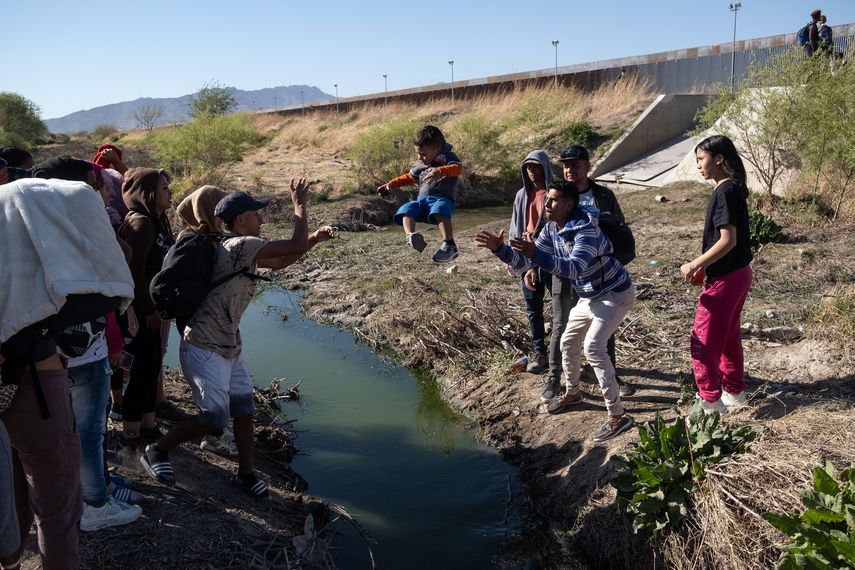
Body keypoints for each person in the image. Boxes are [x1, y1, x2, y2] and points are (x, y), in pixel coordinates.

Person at [141, 181, 335, 498]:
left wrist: (312, 240)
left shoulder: (237, 247)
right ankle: (156, 449)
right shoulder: (238, 246)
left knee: (243, 410)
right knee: (214, 418)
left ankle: (245, 475)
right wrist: (300, 204)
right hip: (205, 346)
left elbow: (284, 258)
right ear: (241, 220)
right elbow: (291, 244)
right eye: (256, 214)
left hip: (229, 345)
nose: (261, 219)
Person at [476, 180, 635, 442]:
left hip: (614, 295)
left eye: (553, 200)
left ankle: (617, 415)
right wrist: (500, 249)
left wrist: (536, 255)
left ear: (569, 204)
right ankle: (573, 393)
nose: (546, 204)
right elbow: (526, 261)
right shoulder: (551, 228)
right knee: (567, 341)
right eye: (547, 199)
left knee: (594, 348)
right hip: (588, 296)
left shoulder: (586, 231)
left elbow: (573, 269)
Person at [32, 159, 143, 530]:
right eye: (94, 185)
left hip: (44, 351)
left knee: (64, 430)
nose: (103, 191)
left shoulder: (29, 225)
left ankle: (94, 486)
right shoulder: (81, 227)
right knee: (89, 429)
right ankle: (94, 504)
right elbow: (109, 283)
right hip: (85, 348)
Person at [541, 145, 634, 402]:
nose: (570, 169)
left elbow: (618, 227)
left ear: (587, 166)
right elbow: (544, 233)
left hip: (599, 275)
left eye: (576, 164)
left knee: (603, 330)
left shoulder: (603, 195)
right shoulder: (555, 194)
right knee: (561, 326)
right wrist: (531, 265)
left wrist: (613, 259)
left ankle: (611, 377)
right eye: (566, 165)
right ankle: (554, 379)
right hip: (564, 272)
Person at [680, 135, 753, 415]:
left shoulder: (724, 191)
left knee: (703, 340)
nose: (698, 165)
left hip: (727, 279)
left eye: (701, 159)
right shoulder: (733, 188)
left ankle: (710, 403)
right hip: (739, 274)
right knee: (727, 338)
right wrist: (706, 267)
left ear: (719, 159)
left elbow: (728, 240)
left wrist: (695, 264)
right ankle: (734, 392)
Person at [117, 168, 174, 445]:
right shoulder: (142, 224)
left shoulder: (158, 220)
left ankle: (149, 424)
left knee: (152, 367)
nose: (170, 192)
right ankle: (131, 433)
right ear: (148, 193)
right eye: (164, 188)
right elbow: (133, 272)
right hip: (140, 310)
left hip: (152, 307)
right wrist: (148, 309)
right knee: (143, 370)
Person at [376, 125, 463, 263]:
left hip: (441, 199)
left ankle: (449, 245)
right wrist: (390, 185)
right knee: (406, 209)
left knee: (439, 209)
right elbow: (409, 177)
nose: (420, 157)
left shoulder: (447, 158)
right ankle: (411, 236)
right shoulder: (422, 164)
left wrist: (440, 171)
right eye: (418, 153)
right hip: (423, 202)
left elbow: (458, 169)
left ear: (438, 148)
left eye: (423, 154)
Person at [509, 151, 554, 374]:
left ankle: (561, 353)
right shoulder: (521, 195)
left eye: (536, 167)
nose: (532, 172)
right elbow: (516, 225)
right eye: (528, 168)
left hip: (551, 255)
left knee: (561, 306)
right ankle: (539, 352)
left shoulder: (555, 193)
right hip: (526, 253)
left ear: (545, 167)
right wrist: (513, 259)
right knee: (533, 307)